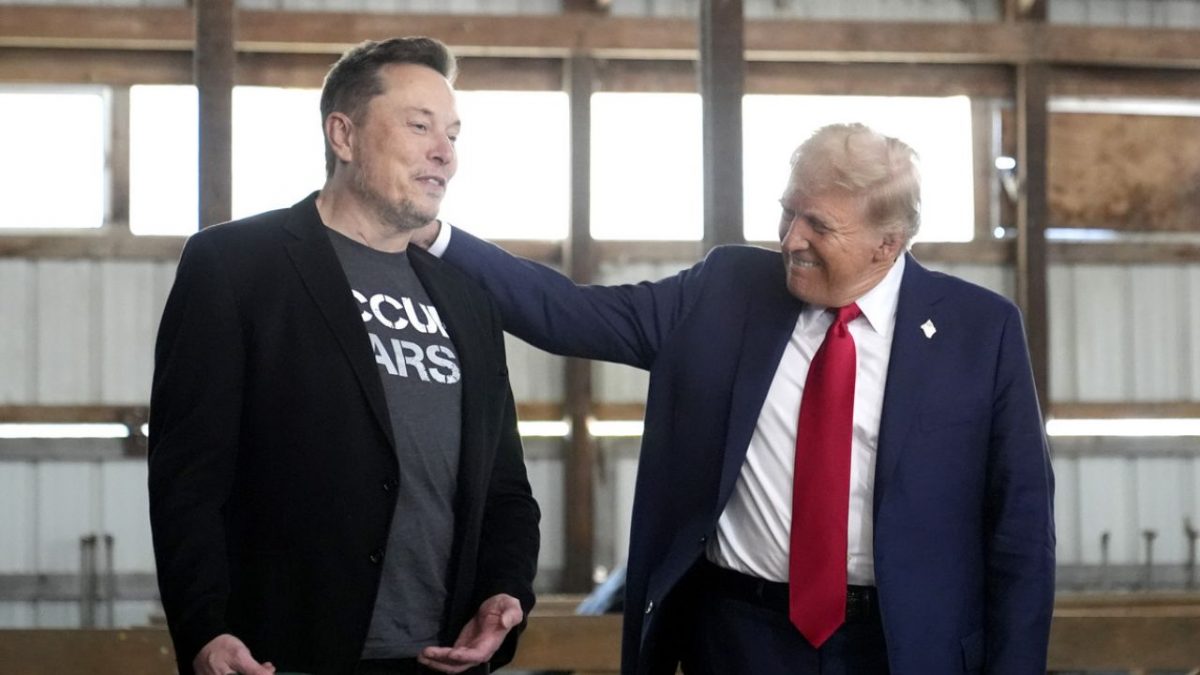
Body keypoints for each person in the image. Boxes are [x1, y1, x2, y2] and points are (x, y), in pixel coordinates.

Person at [416, 123, 1055, 673]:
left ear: (886, 245)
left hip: (902, 647)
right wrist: (431, 234)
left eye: (819, 225)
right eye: (788, 211)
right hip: (740, 638)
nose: (790, 239)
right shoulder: (728, 290)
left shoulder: (980, 329)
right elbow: (569, 315)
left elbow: (1021, 532)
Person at [148, 36, 540, 675]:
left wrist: (505, 592)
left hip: (439, 656)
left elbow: (505, 488)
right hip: (282, 653)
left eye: (454, 134)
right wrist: (204, 627)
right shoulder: (235, 266)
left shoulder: (467, 294)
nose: (445, 153)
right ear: (344, 135)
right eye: (420, 127)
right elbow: (188, 476)